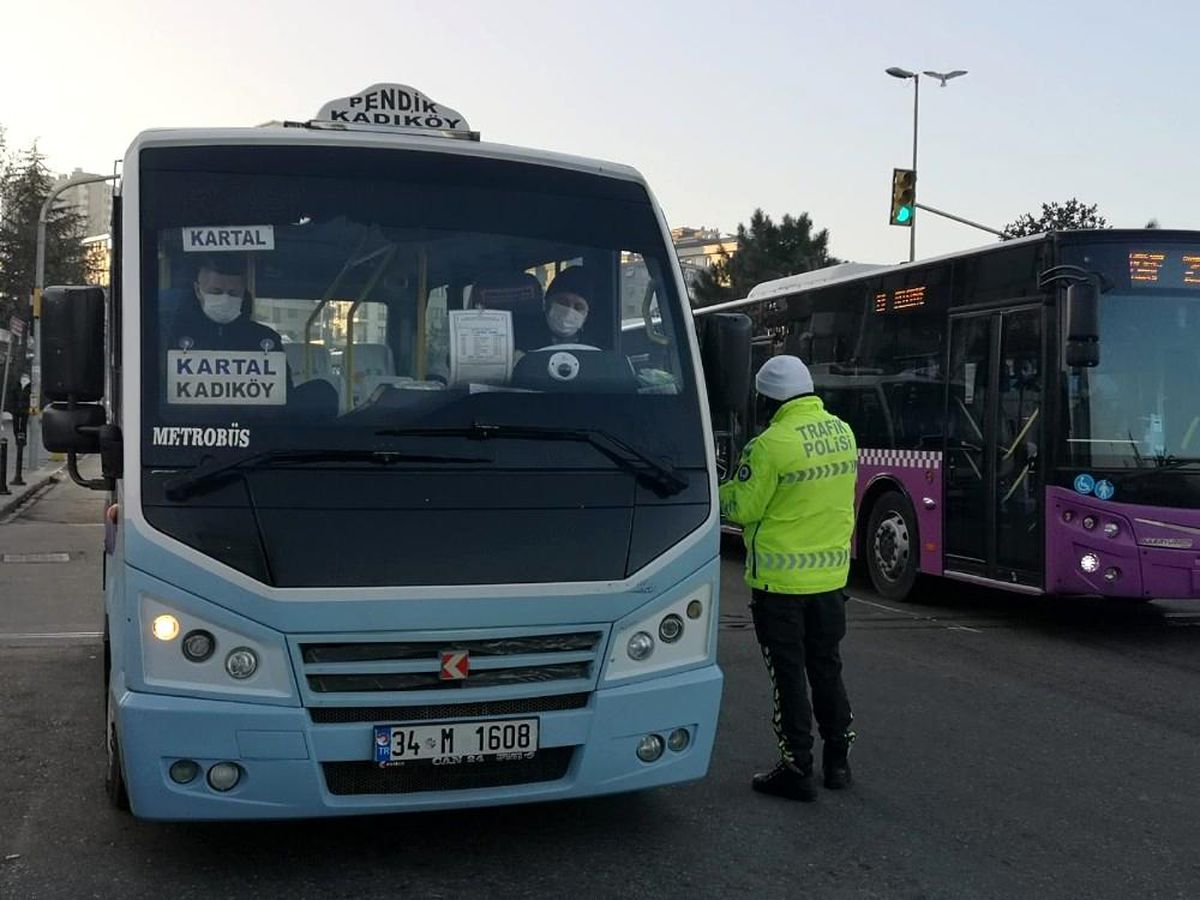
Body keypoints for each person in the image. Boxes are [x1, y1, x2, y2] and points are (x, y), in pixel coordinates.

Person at [719, 355, 858, 802]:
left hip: (781, 585)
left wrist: (716, 488)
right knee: (827, 668)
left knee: (788, 676)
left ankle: (797, 766)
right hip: (831, 580)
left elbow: (743, 509)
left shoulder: (769, 444)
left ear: (767, 398)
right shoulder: (842, 431)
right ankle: (838, 761)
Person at [168, 258, 286, 353]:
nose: (225, 299)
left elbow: (281, 382)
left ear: (243, 293)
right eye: (216, 292)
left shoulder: (264, 339)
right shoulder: (172, 335)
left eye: (233, 293)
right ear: (198, 290)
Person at [539, 267, 592, 347]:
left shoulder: (595, 348)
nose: (569, 312)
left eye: (578, 307)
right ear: (548, 305)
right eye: (563, 303)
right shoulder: (524, 341)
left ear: (586, 316)